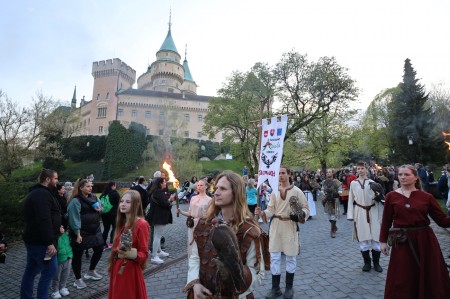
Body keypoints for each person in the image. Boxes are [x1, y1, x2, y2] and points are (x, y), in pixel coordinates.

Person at [184, 171, 265, 298]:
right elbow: (195, 258)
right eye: (216, 188)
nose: (216, 192)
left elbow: (257, 274)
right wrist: (195, 284)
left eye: (222, 188)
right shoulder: (203, 224)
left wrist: (234, 273)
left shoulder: (249, 230)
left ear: (236, 193)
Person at [380, 164, 450, 299]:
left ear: (416, 177)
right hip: (402, 240)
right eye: (400, 174)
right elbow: (386, 221)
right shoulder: (391, 196)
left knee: (429, 273)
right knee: (403, 275)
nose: (402, 177)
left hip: (425, 241)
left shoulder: (426, 197)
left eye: (407, 174)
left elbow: (442, 220)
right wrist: (383, 241)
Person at [255, 166, 310, 299]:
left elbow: (306, 209)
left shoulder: (297, 191)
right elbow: (271, 210)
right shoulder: (274, 192)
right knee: (275, 257)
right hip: (276, 226)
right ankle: (275, 288)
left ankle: (289, 287)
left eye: (283, 173)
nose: (281, 175)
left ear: (289, 174)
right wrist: (262, 213)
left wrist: (301, 214)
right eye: (279, 173)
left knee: (291, 257)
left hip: (290, 226)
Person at [20, 169, 61, 299]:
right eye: (55, 179)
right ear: (47, 179)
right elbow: (43, 219)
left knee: (31, 270)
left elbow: (49, 215)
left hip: (35, 240)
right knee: (50, 271)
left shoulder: (42, 193)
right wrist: (49, 242)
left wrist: (58, 225)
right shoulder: (41, 195)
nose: (57, 182)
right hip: (41, 242)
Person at [108, 190, 150, 299]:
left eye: (128, 202)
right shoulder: (122, 223)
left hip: (129, 271)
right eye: (122, 201)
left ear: (136, 204)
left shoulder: (141, 224)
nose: (123, 204)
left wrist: (132, 254)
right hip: (117, 268)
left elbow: (144, 254)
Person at [347, 161, 384, 272]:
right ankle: (367, 263)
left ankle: (376, 263)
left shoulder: (372, 182)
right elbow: (350, 199)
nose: (360, 170)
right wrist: (350, 214)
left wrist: (379, 198)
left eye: (362, 168)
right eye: (358, 169)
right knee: (362, 237)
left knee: (375, 237)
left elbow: (381, 198)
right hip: (360, 211)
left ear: (366, 169)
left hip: (372, 210)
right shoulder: (353, 183)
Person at [67, 178, 104, 289]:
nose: (90, 188)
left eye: (91, 186)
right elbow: (74, 219)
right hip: (81, 232)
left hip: (95, 230)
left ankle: (90, 271)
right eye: (87, 186)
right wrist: (77, 234)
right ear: (81, 187)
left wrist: (101, 208)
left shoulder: (94, 197)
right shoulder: (75, 201)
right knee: (78, 255)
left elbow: (101, 208)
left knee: (99, 248)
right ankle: (78, 279)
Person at [177, 179, 212, 256]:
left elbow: (210, 216)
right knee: (191, 245)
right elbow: (190, 213)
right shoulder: (193, 198)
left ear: (206, 186)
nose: (199, 187)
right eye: (198, 185)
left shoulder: (210, 200)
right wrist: (181, 211)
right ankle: (192, 263)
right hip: (192, 224)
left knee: (201, 245)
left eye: (201, 185)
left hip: (202, 225)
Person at [146, 177, 174, 264]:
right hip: (159, 217)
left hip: (158, 216)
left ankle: (159, 251)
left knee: (157, 235)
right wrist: (170, 199)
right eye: (164, 182)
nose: (165, 183)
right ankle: (154, 256)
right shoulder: (158, 192)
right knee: (157, 236)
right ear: (160, 183)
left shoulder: (157, 191)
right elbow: (165, 203)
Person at [50, 225, 73, 299]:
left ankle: (62, 287)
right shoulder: (54, 238)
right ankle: (55, 290)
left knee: (65, 274)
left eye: (63, 227)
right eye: (60, 227)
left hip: (68, 257)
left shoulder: (66, 235)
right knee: (56, 276)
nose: (62, 229)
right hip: (59, 260)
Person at [100, 181, 120, 250]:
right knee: (115, 228)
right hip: (114, 214)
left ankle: (103, 244)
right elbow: (119, 202)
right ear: (113, 186)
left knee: (106, 229)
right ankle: (112, 242)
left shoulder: (103, 194)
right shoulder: (115, 193)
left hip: (104, 214)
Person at [322, 169, 341, 238]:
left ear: (332, 173)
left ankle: (332, 230)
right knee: (328, 216)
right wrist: (324, 194)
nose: (328, 173)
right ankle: (335, 226)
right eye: (327, 172)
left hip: (334, 200)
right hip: (327, 200)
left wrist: (337, 194)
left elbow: (340, 190)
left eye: (329, 172)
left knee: (333, 215)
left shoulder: (336, 181)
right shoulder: (324, 182)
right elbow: (322, 190)